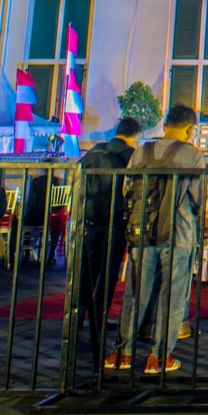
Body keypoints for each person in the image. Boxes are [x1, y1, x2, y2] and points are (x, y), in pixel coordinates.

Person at [114, 103, 205, 375]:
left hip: (142, 234)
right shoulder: (192, 156)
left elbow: (126, 190)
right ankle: (159, 357)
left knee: (135, 292)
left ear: (165, 125)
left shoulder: (142, 151)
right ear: (190, 129)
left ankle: (124, 352)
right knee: (172, 296)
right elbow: (198, 199)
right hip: (179, 234)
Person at [77, 117, 140, 367]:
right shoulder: (129, 155)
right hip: (114, 221)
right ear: (134, 134)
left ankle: (79, 313)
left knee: (87, 272)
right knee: (109, 273)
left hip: (89, 221)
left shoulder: (96, 151)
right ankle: (99, 317)